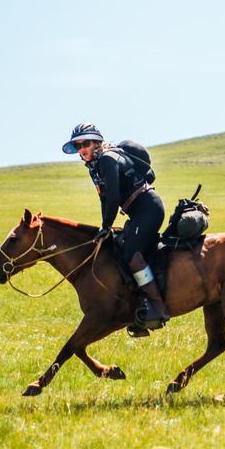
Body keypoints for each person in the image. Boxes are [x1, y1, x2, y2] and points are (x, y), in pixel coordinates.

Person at [63, 123, 170, 330]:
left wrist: (106, 225)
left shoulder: (107, 159)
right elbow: (105, 200)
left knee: (132, 255)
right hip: (137, 212)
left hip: (148, 209)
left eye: (86, 143)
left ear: (97, 142)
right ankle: (137, 304)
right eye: (78, 146)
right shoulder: (95, 166)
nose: (82, 149)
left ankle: (157, 307)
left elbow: (113, 197)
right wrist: (105, 227)